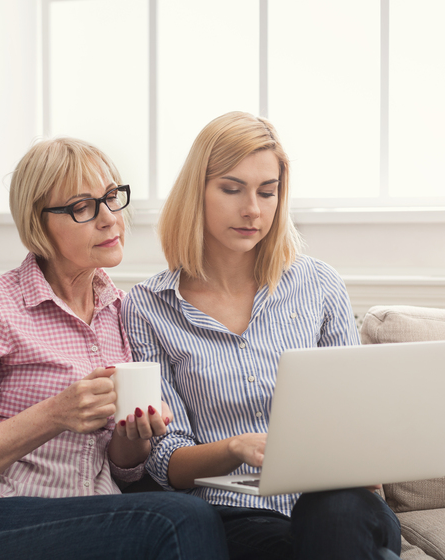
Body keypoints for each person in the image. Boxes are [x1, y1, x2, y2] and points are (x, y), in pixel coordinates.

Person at [0, 138, 229, 560]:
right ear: (38, 222)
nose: (109, 219)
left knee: (195, 514)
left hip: (89, 515)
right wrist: (55, 414)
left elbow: (124, 469)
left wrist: (132, 434)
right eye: (83, 206)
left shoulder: (121, 311)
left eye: (111, 198)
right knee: (182, 517)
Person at [121, 112, 402, 560]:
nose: (253, 209)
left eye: (267, 192)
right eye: (232, 189)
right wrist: (236, 448)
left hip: (340, 504)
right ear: (197, 192)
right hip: (235, 516)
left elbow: (355, 416)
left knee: (332, 512)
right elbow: (166, 461)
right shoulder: (149, 306)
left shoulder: (318, 284)